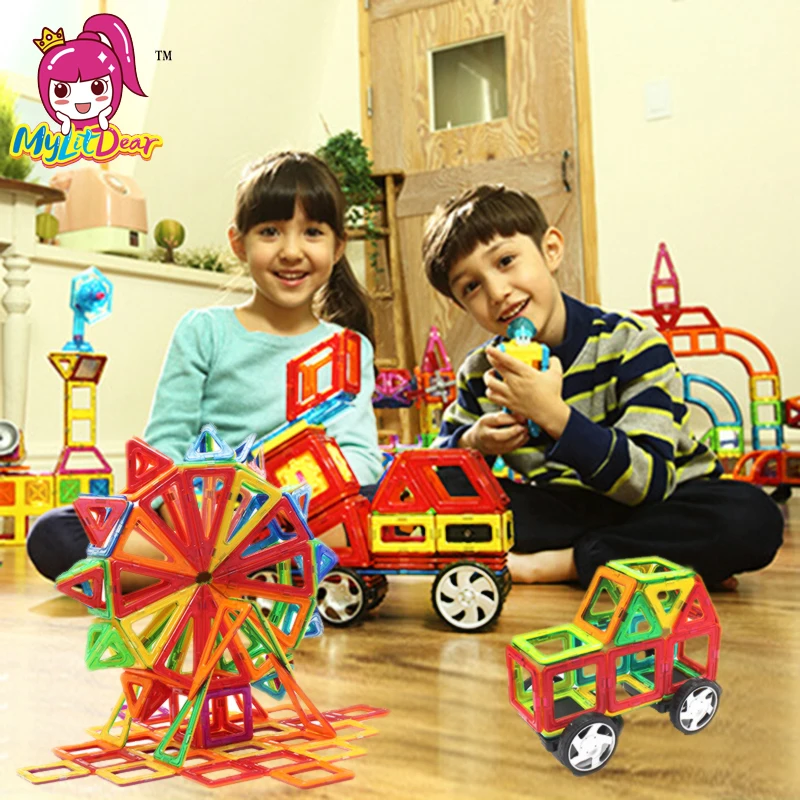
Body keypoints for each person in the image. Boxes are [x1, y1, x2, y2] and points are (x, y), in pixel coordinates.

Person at [27, 152, 384, 581]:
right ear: (238, 243)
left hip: (304, 511)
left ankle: (216, 571)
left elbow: (361, 458)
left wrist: (280, 499)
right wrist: (193, 506)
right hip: (201, 516)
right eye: (270, 232)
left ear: (337, 246)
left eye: (312, 233)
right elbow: (165, 445)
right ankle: (253, 568)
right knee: (54, 533)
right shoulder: (204, 330)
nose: (291, 252)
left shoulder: (348, 347)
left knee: (378, 504)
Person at [422, 184, 783, 588]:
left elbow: (647, 484)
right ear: (460, 305)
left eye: (506, 261)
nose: (497, 292)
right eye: (471, 287)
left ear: (550, 250)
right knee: (448, 499)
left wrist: (554, 416)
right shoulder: (480, 372)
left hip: (662, 500)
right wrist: (475, 443)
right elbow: (436, 478)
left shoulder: (633, 344)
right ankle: (654, 556)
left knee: (751, 518)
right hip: (568, 509)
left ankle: (565, 564)